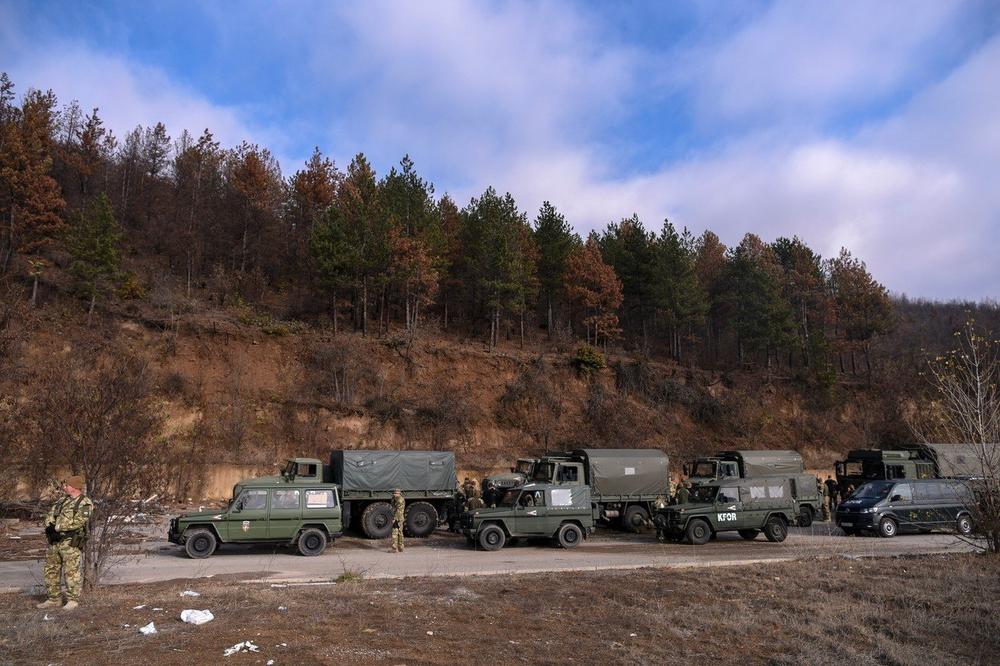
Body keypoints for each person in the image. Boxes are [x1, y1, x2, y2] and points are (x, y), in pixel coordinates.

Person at [37, 475, 93, 611]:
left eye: (66, 485)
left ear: (74, 487)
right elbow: (50, 515)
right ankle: (54, 599)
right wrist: (49, 527)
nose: (64, 487)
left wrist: (57, 528)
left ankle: (73, 600)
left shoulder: (85, 503)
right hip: (55, 542)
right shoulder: (62, 501)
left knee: (71, 571)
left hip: (70, 543)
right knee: (51, 569)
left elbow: (78, 521)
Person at [389, 489, 405, 553]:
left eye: (396, 493)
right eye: (394, 493)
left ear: (399, 494)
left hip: (398, 518)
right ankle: (400, 548)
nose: (394, 494)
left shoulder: (400, 500)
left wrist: (394, 519)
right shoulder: (395, 499)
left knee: (395, 533)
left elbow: (398, 511)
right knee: (399, 532)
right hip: (399, 518)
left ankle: (394, 548)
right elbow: (393, 505)